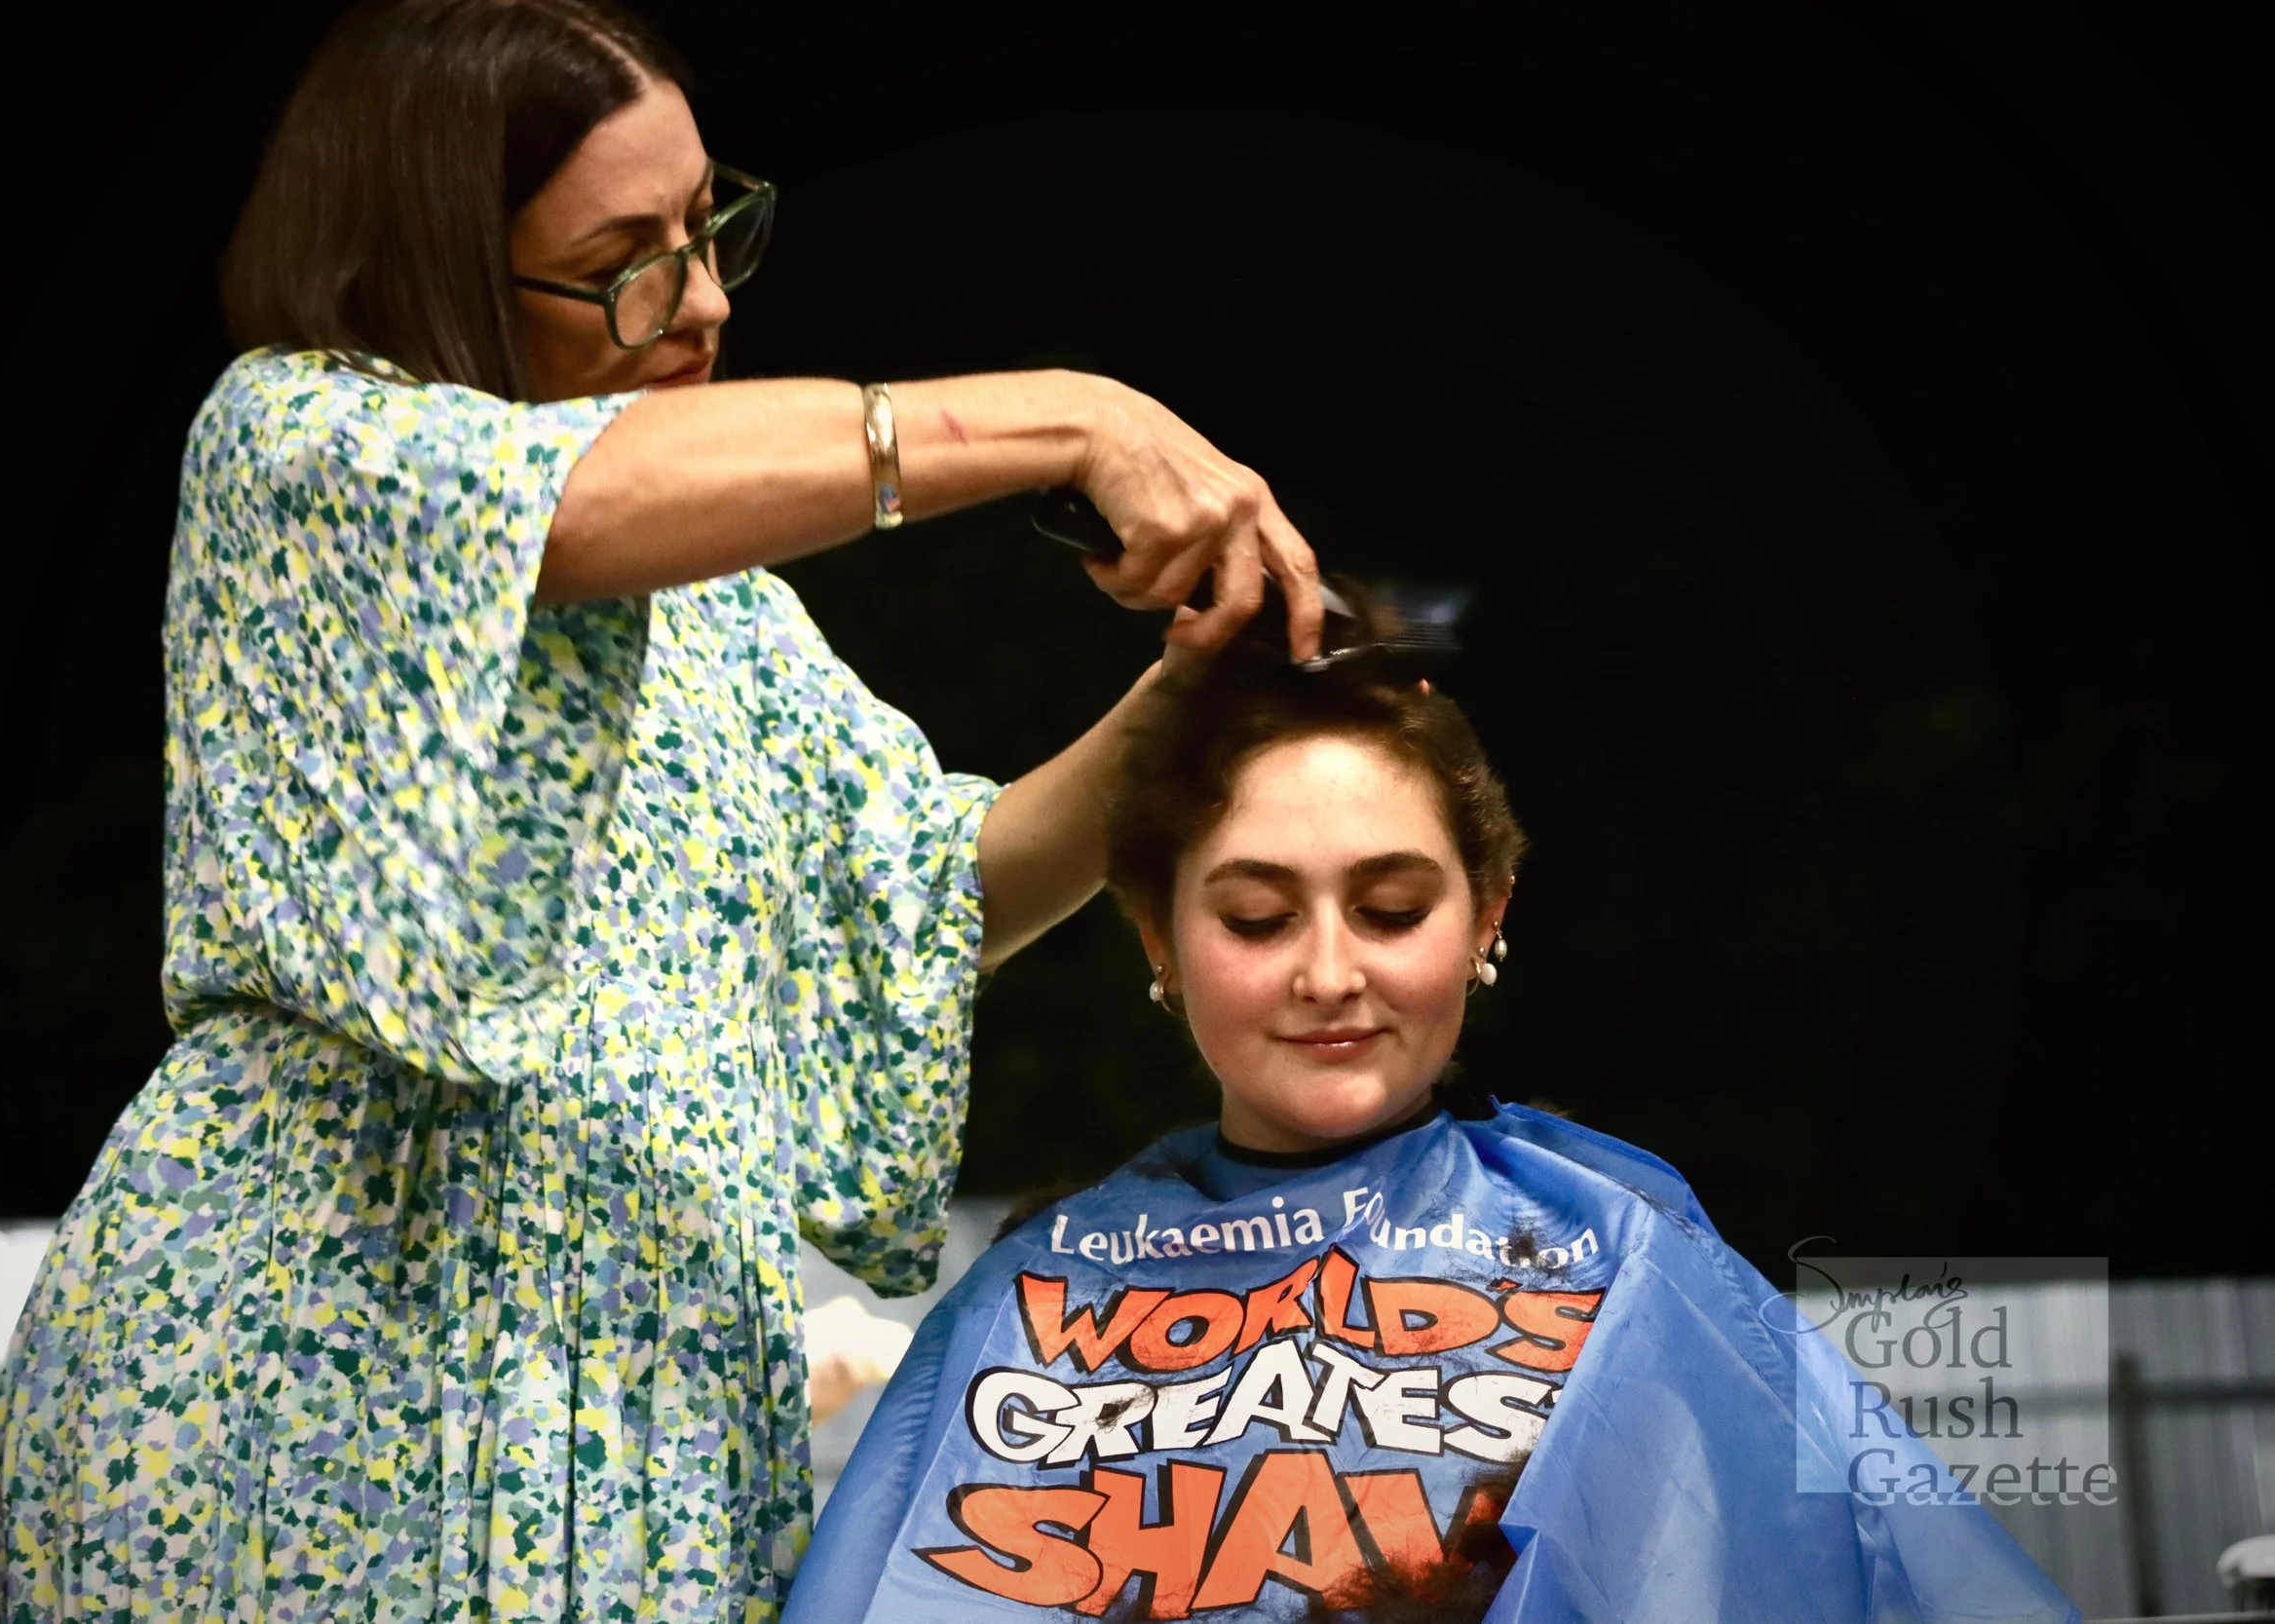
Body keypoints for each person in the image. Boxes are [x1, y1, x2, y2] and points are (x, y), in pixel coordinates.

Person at [0, 3, 1324, 1620]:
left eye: (708, 228)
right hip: (320, 1381)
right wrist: (1076, 413)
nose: (696, 301)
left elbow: (916, 895)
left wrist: (1197, 690)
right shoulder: (303, 441)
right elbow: (577, 500)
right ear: (442, 268)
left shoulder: (721, 604)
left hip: (642, 1412)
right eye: (624, 257)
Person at [781, 603, 2078, 1622]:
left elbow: (1870, 1571)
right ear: (1156, 936)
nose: (1329, 971)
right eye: (1256, 915)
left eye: (1393, 907)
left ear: (1487, 919)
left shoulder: (1619, 1246)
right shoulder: (1039, 1283)